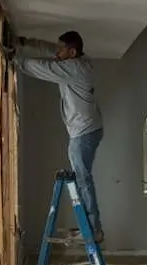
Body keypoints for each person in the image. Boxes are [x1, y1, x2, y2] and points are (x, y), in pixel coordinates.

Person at [15, 30, 104, 241]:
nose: (57, 53)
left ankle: (93, 230)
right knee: (82, 178)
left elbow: (45, 67)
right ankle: (90, 226)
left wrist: (16, 60)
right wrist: (27, 42)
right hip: (89, 129)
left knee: (83, 180)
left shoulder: (73, 68)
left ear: (72, 52)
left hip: (83, 132)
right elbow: (52, 51)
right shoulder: (77, 60)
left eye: (61, 50)